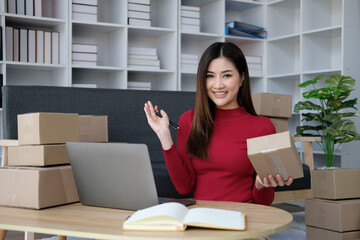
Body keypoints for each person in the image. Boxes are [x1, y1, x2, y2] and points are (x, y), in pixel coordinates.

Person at [144, 42, 293, 206]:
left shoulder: (263, 127)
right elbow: (184, 187)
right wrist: (164, 136)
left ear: (242, 78)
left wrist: (260, 184)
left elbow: (264, 203)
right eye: (210, 76)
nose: (218, 85)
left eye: (227, 75)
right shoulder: (188, 121)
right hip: (203, 219)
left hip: (245, 217)